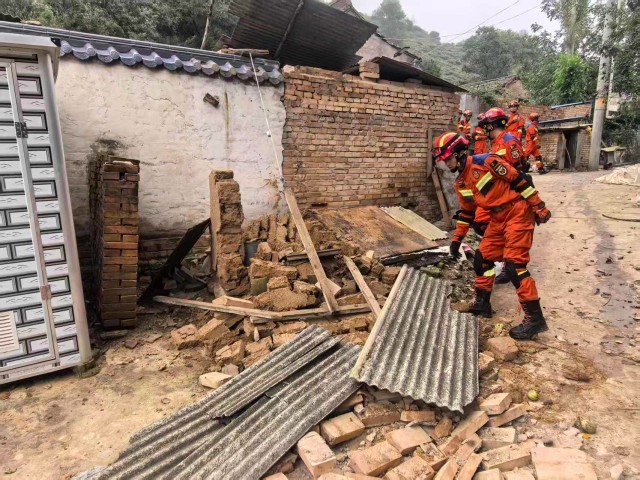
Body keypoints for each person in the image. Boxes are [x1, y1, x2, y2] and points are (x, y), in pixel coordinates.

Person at [433, 131, 551, 340]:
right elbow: (467, 213)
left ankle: (535, 319)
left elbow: (520, 180)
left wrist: (539, 206)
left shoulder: (486, 162)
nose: (446, 164)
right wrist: (456, 240)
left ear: (459, 153)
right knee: (483, 259)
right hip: (497, 218)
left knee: (514, 266)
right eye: (443, 161)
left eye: (448, 159)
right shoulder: (460, 183)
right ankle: (482, 303)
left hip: (518, 212)